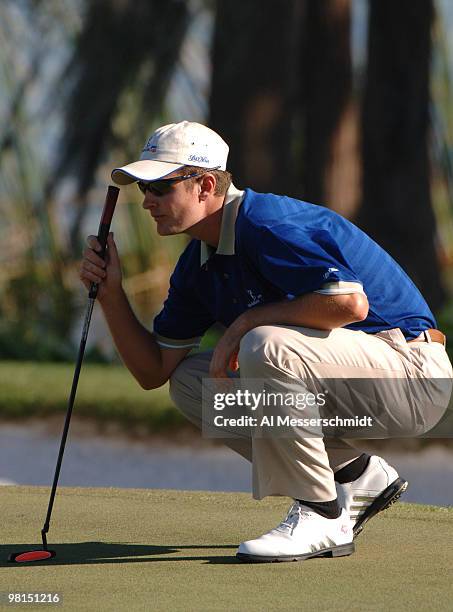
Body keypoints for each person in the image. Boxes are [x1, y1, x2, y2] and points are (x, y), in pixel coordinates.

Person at [80, 121, 453, 563]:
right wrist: (111, 295)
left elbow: (350, 305)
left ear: (204, 185)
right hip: (355, 382)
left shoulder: (267, 223)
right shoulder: (197, 265)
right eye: (145, 190)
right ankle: (354, 474)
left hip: (412, 375)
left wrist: (245, 324)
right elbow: (153, 371)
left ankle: (322, 514)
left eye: (160, 188)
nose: (148, 202)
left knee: (264, 345)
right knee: (190, 381)